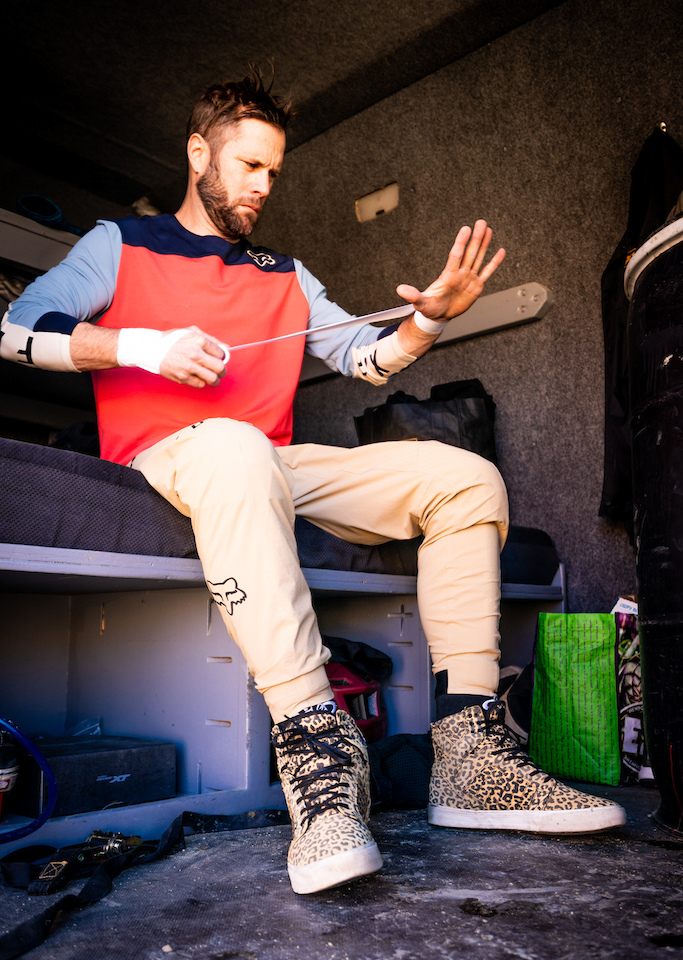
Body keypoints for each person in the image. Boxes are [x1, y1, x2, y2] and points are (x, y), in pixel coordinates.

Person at [1, 70, 626, 896]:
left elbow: (366, 361)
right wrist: (139, 349)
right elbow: (15, 331)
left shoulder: (284, 273)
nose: (262, 186)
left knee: (466, 478)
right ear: (199, 155)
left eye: (273, 172)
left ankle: (468, 755)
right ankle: (315, 753)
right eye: (248, 166)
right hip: (167, 457)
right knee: (230, 445)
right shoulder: (119, 245)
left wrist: (430, 318)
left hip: (264, 460)